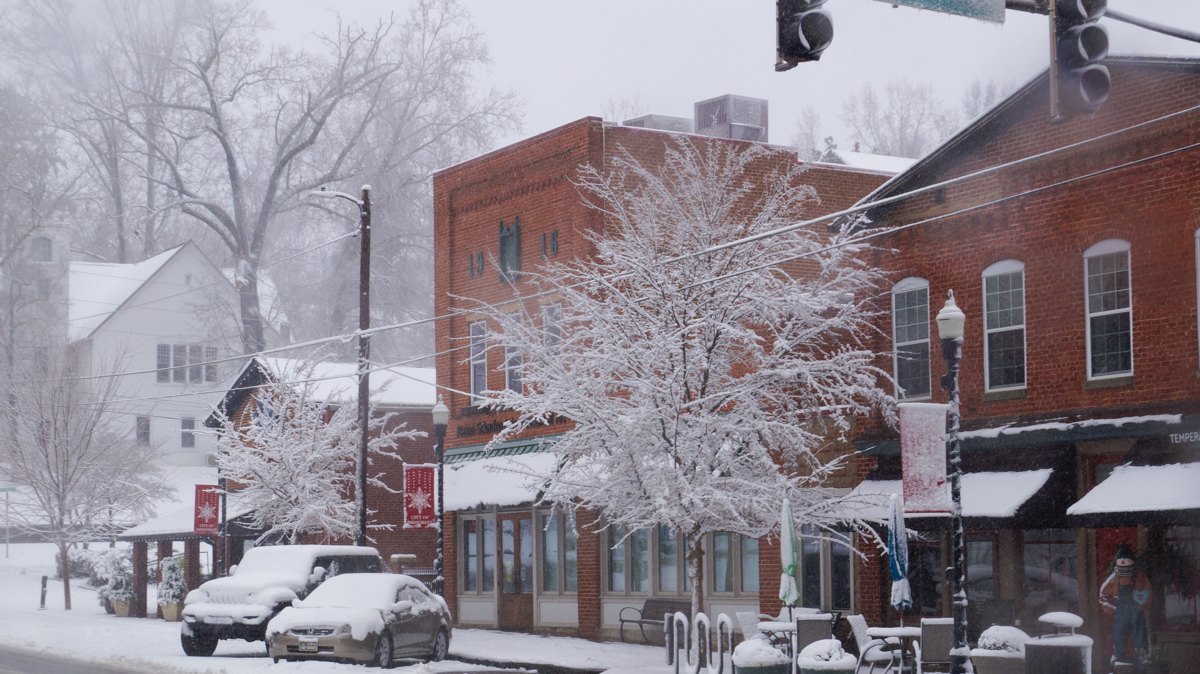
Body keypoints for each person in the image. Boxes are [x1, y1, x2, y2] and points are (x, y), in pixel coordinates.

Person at [1099, 545, 1151, 668]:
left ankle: (1143, 662)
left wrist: (1141, 606)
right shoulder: (1114, 578)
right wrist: (1110, 608)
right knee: (1119, 636)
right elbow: (1103, 595)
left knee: (1140, 637)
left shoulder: (1139, 576)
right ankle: (1119, 661)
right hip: (1120, 611)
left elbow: (1148, 591)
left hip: (1136, 610)